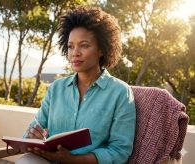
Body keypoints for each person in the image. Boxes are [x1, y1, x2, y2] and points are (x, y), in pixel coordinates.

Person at [16, 6, 136, 164]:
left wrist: (73, 160)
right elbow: (34, 129)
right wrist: (33, 136)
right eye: (71, 46)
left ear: (101, 49)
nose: (75, 53)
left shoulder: (120, 93)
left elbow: (120, 150)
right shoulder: (56, 89)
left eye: (84, 45)